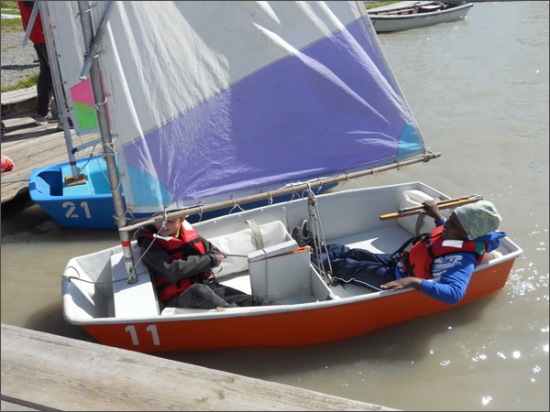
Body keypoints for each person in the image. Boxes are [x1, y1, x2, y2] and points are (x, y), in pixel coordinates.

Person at [296, 200, 505, 305]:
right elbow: (446, 234)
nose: (447, 226)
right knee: (351, 252)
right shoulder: (457, 234)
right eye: (450, 219)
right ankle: (311, 249)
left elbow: (454, 294)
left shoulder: (461, 259)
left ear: (470, 235)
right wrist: (438, 217)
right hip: (400, 261)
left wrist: (412, 282)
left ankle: (305, 266)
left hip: (397, 279)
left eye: (454, 224)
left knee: (348, 267)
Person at [136, 211, 274, 310]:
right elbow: (172, 271)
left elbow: (213, 251)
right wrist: (210, 259)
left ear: (182, 219)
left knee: (256, 301)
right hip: (178, 298)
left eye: (170, 221)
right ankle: (238, 316)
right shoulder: (149, 244)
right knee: (199, 291)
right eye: (159, 220)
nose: (163, 226)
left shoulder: (186, 233)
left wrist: (213, 257)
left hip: (208, 287)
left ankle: (281, 314)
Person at [18, 1, 56, 126]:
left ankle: (43, 112)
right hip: (44, 31)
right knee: (58, 73)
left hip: (40, 31)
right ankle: (65, 114)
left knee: (48, 73)